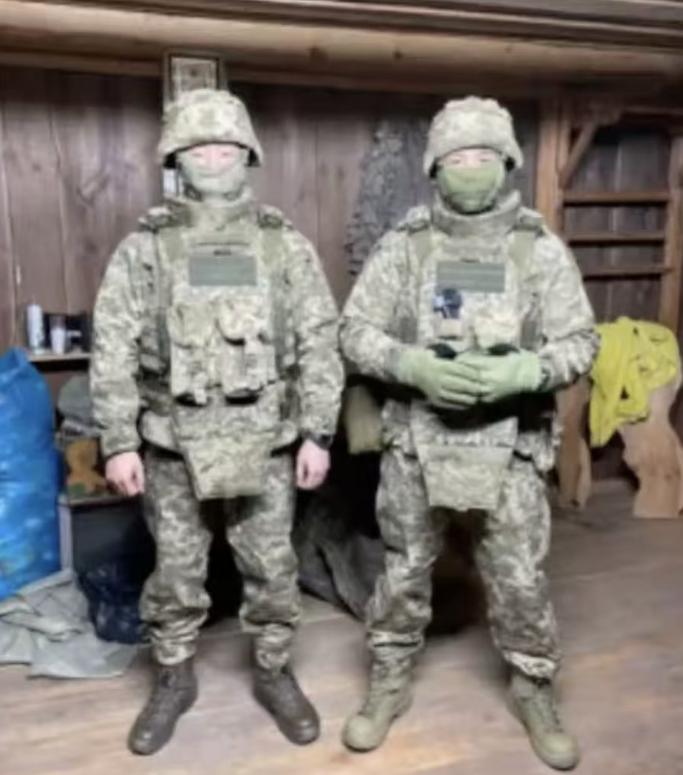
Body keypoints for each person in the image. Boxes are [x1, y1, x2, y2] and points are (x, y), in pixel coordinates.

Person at [339, 96, 597, 771]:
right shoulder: (405, 246)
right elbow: (354, 331)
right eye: (457, 157)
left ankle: (533, 685)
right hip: (416, 446)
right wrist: (411, 365)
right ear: (434, 166)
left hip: (509, 450)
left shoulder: (538, 250)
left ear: (507, 162)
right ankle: (389, 677)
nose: (471, 167)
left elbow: (580, 341)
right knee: (402, 572)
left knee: (518, 579)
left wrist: (528, 370)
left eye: (484, 155)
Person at [90, 88, 343, 755]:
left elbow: (319, 340)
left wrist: (318, 432)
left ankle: (274, 671)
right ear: (176, 156)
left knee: (273, 568)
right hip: (173, 442)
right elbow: (112, 346)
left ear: (246, 153)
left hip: (267, 442)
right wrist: (118, 441)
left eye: (224, 146)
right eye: (197, 147)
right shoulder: (146, 247)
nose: (211, 158)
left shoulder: (282, 244)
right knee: (175, 573)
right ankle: (174, 677)